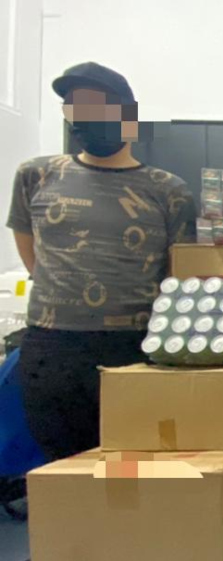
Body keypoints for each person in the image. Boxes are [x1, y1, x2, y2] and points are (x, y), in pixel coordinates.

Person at [6, 62, 195, 463]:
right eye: (74, 107)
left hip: (133, 347)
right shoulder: (36, 176)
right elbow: (32, 253)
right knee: (62, 471)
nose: (85, 117)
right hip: (53, 346)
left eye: (97, 107)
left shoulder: (168, 191)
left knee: (131, 468)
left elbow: (180, 272)